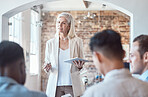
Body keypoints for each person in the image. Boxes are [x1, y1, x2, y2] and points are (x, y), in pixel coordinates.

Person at [82, 29, 148, 97]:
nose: (129, 60)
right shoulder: (145, 88)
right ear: (123, 54)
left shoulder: (93, 93)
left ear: (98, 57)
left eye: (132, 55)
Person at [43, 12, 85, 97]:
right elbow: (47, 63)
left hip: (73, 84)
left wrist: (80, 66)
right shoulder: (50, 43)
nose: (60, 25)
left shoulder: (77, 41)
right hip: (55, 85)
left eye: (63, 23)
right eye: (58, 22)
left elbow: (82, 62)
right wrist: (47, 68)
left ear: (69, 26)